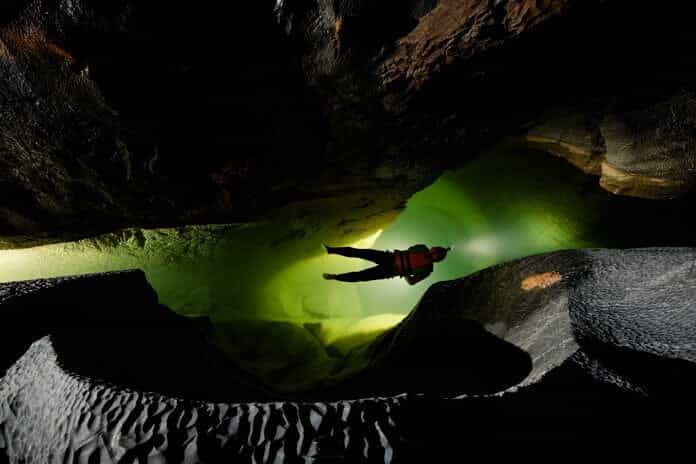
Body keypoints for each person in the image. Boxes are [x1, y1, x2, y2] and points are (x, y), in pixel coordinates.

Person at [322, 244, 450, 285]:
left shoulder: (427, 270)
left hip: (391, 270)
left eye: (435, 256)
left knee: (361, 276)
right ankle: (331, 250)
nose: (432, 254)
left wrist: (404, 272)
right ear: (433, 248)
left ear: (437, 260)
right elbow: (409, 250)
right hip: (388, 257)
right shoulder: (422, 248)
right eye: (434, 251)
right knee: (359, 252)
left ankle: (334, 277)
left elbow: (411, 282)